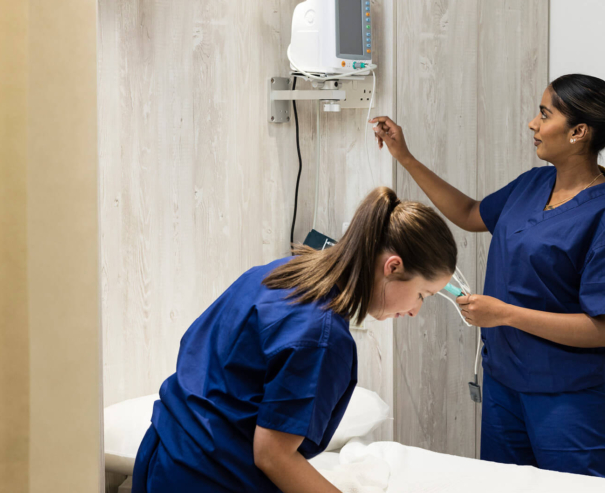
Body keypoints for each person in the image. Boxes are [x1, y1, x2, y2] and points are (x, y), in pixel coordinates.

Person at [371, 74, 605, 479]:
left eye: (544, 114)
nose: (532, 124)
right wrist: (406, 157)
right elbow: (471, 214)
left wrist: (506, 315)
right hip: (504, 386)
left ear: (578, 132)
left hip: (566, 400)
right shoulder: (534, 183)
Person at [132, 186, 458, 493]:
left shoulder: (281, 272)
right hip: (209, 478)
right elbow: (273, 455)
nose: (415, 311)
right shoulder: (322, 335)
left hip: (163, 457)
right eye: (422, 294)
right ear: (392, 266)